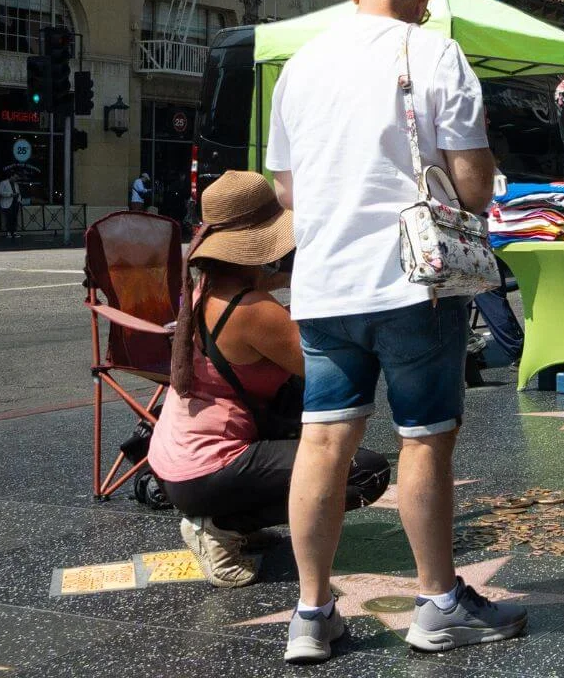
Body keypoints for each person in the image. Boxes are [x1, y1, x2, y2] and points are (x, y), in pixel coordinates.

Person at [266, 0, 525, 664]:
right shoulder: (433, 52)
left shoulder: (302, 64)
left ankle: (312, 614)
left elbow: (286, 189)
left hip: (322, 286)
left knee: (323, 441)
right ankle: (438, 603)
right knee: (424, 439)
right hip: (416, 284)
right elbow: (473, 185)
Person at [149, 171, 391, 588]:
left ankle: (229, 520)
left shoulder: (210, 289)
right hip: (208, 471)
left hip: (177, 464)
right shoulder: (251, 310)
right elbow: (328, 367)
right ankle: (221, 525)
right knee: (364, 473)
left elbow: (266, 288)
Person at [0, 171, 20, 239]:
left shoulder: (16, 184)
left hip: (15, 203)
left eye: (17, 177)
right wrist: (11, 194)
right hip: (7, 203)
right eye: (15, 177)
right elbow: (0, 192)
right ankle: (8, 232)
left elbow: (18, 192)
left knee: (14, 218)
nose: (16, 179)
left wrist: (19, 200)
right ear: (11, 176)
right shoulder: (3, 183)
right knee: (8, 218)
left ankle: (14, 232)